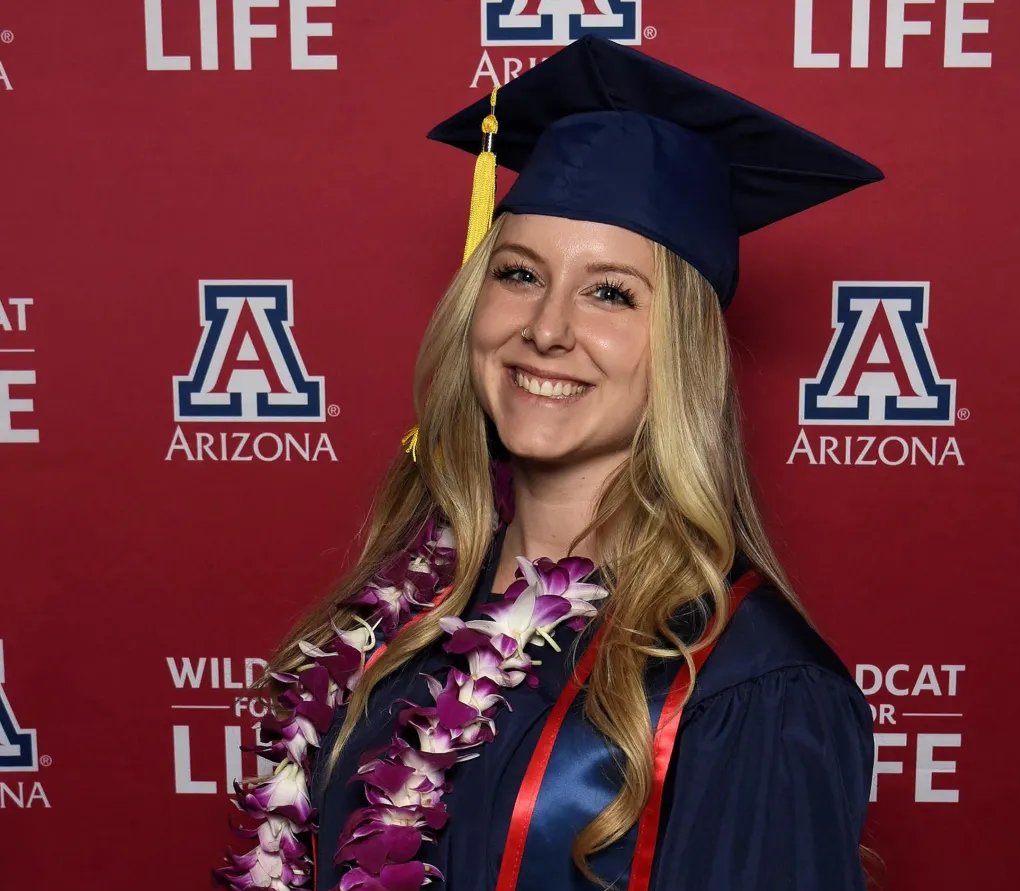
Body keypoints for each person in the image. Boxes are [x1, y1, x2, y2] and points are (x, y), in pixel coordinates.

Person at [216, 35, 884, 891]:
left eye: (610, 292)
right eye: (520, 273)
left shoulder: (746, 687)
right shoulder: (406, 617)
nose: (547, 328)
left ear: (680, 350)